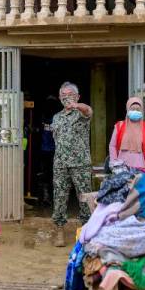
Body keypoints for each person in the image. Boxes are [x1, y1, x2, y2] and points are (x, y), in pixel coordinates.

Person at [51, 82, 93, 247]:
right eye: (63, 95)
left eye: (69, 94)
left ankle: (86, 231)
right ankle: (59, 230)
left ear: (77, 96)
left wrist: (77, 106)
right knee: (59, 197)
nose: (66, 98)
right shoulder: (57, 117)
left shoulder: (81, 114)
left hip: (80, 163)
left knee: (84, 198)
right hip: (60, 164)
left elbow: (88, 110)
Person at [108, 97, 145, 169]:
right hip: (121, 167)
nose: (135, 111)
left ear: (142, 111)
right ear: (128, 110)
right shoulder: (119, 126)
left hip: (141, 167)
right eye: (132, 109)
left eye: (138, 109)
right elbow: (112, 146)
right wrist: (114, 162)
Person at [39, 95, 59, 206]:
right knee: (47, 174)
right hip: (45, 149)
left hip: (54, 149)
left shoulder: (58, 117)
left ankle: (53, 197)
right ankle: (46, 197)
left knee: (53, 174)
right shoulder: (42, 117)